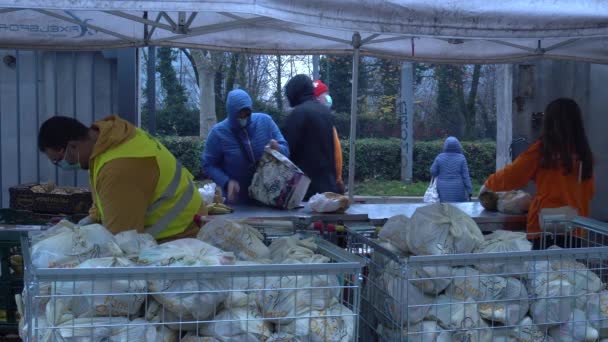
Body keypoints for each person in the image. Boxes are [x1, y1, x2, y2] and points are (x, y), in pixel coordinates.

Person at [37, 115, 205, 241]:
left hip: (177, 240)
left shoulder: (118, 169)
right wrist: (83, 225)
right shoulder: (109, 141)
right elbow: (103, 206)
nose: (62, 166)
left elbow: (123, 241)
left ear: (72, 146)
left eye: (58, 160)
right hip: (184, 227)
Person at [480, 98, 595, 240]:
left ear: (550, 122)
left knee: (542, 263)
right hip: (575, 228)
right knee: (569, 263)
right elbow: (589, 192)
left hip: (545, 228)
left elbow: (514, 175)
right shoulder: (584, 153)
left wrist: (489, 184)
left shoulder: (544, 149)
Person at [202, 89, 289, 204]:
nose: (243, 118)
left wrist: (278, 148)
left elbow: (286, 150)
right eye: (239, 114)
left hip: (268, 197)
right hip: (238, 201)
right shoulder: (218, 133)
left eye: (247, 113)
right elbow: (208, 164)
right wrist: (226, 182)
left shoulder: (265, 122)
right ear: (231, 113)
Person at [284, 74, 338, 199]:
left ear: (294, 92)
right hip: (327, 184)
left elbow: (287, 151)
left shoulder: (297, 114)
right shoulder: (325, 112)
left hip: (305, 188)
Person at [313, 80, 345, 194]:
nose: (328, 98)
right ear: (317, 98)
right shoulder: (324, 123)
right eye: (324, 95)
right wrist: (338, 179)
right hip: (326, 183)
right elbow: (336, 154)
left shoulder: (324, 120)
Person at [430, 136, 473, 202]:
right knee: (457, 208)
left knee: (443, 207)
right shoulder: (461, 158)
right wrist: (470, 190)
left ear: (445, 146)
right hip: (458, 187)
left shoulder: (440, 157)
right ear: (458, 146)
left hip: (442, 187)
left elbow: (433, 171)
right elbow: (466, 176)